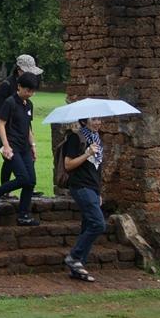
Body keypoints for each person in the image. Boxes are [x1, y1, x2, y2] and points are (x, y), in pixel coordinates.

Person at [0, 71, 41, 226]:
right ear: (19, 87)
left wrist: (33, 145)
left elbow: (28, 127)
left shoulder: (29, 104)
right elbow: (1, 124)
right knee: (23, 178)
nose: (30, 94)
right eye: (27, 90)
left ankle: (24, 214)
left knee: (31, 181)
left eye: (32, 91)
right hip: (12, 145)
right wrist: (6, 146)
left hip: (24, 147)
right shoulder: (10, 102)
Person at [0, 54, 45, 189]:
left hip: (21, 130)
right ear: (19, 70)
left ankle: (28, 186)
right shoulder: (7, 85)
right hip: (7, 131)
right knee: (11, 160)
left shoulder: (27, 88)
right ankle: (5, 190)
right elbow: (0, 115)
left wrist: (30, 137)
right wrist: (6, 143)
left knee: (24, 160)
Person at [61, 117, 107, 281]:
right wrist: (87, 153)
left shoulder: (97, 139)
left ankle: (78, 267)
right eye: (94, 119)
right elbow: (68, 165)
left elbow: (97, 169)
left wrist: (98, 192)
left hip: (92, 188)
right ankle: (74, 257)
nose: (98, 122)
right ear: (84, 121)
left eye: (99, 119)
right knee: (98, 224)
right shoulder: (76, 138)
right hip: (80, 186)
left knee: (88, 225)